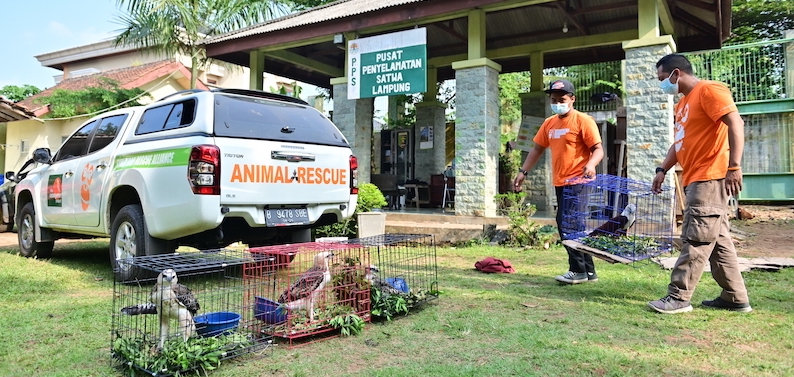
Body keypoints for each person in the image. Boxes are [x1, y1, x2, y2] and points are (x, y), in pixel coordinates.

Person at [648, 53, 752, 314]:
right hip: (694, 177)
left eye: (663, 79)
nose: (662, 85)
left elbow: (735, 123)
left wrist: (734, 166)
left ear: (676, 74)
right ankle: (735, 297)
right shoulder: (682, 104)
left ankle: (679, 297)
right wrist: (663, 169)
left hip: (710, 177)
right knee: (718, 239)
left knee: (696, 238)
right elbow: (679, 142)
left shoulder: (709, 90)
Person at [513, 79, 604, 284]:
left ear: (572, 99)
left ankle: (577, 271)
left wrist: (591, 165)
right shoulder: (549, 123)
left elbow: (598, 149)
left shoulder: (583, 120)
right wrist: (523, 171)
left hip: (579, 181)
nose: (557, 103)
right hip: (561, 182)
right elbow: (536, 149)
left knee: (568, 224)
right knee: (575, 225)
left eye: (561, 99)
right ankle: (589, 272)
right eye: (553, 100)